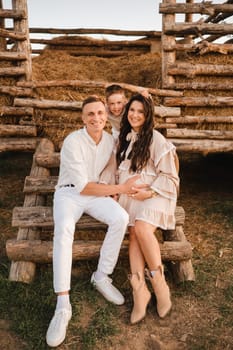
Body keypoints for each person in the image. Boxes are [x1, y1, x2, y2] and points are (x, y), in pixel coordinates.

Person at [46, 95, 142, 348]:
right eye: (91, 114)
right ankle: (63, 304)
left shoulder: (110, 140)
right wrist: (120, 188)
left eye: (100, 113)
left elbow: (110, 166)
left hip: (95, 191)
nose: (97, 118)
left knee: (120, 217)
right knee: (65, 228)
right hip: (70, 193)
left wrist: (113, 185)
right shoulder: (72, 141)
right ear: (82, 118)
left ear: (105, 115)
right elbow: (83, 186)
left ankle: (101, 276)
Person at [115, 93, 179, 324]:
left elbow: (171, 176)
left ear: (148, 115)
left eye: (141, 111)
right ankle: (139, 291)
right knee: (133, 232)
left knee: (141, 228)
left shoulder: (155, 138)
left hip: (156, 194)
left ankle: (160, 286)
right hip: (133, 197)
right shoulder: (126, 137)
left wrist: (150, 192)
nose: (135, 115)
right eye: (132, 110)